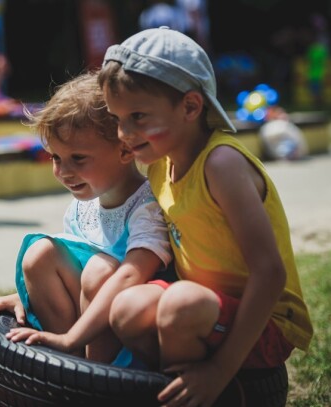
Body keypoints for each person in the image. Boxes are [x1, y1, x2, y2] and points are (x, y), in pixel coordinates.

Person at [98, 27, 313, 405]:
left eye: (138, 116)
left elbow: (270, 272)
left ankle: (218, 384)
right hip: (201, 312)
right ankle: (185, 391)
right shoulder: (159, 165)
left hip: (265, 322)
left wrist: (221, 367)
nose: (124, 133)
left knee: (180, 303)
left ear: (191, 107)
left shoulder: (221, 163)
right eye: (118, 118)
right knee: (127, 310)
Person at [0, 72, 172, 364]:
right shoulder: (83, 207)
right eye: (56, 158)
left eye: (78, 158)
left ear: (124, 150)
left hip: (130, 337)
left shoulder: (147, 207)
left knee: (99, 270)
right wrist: (25, 298)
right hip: (81, 331)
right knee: (40, 253)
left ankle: (93, 377)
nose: (64, 171)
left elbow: (132, 275)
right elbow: (69, 275)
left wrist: (72, 337)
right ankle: (68, 369)